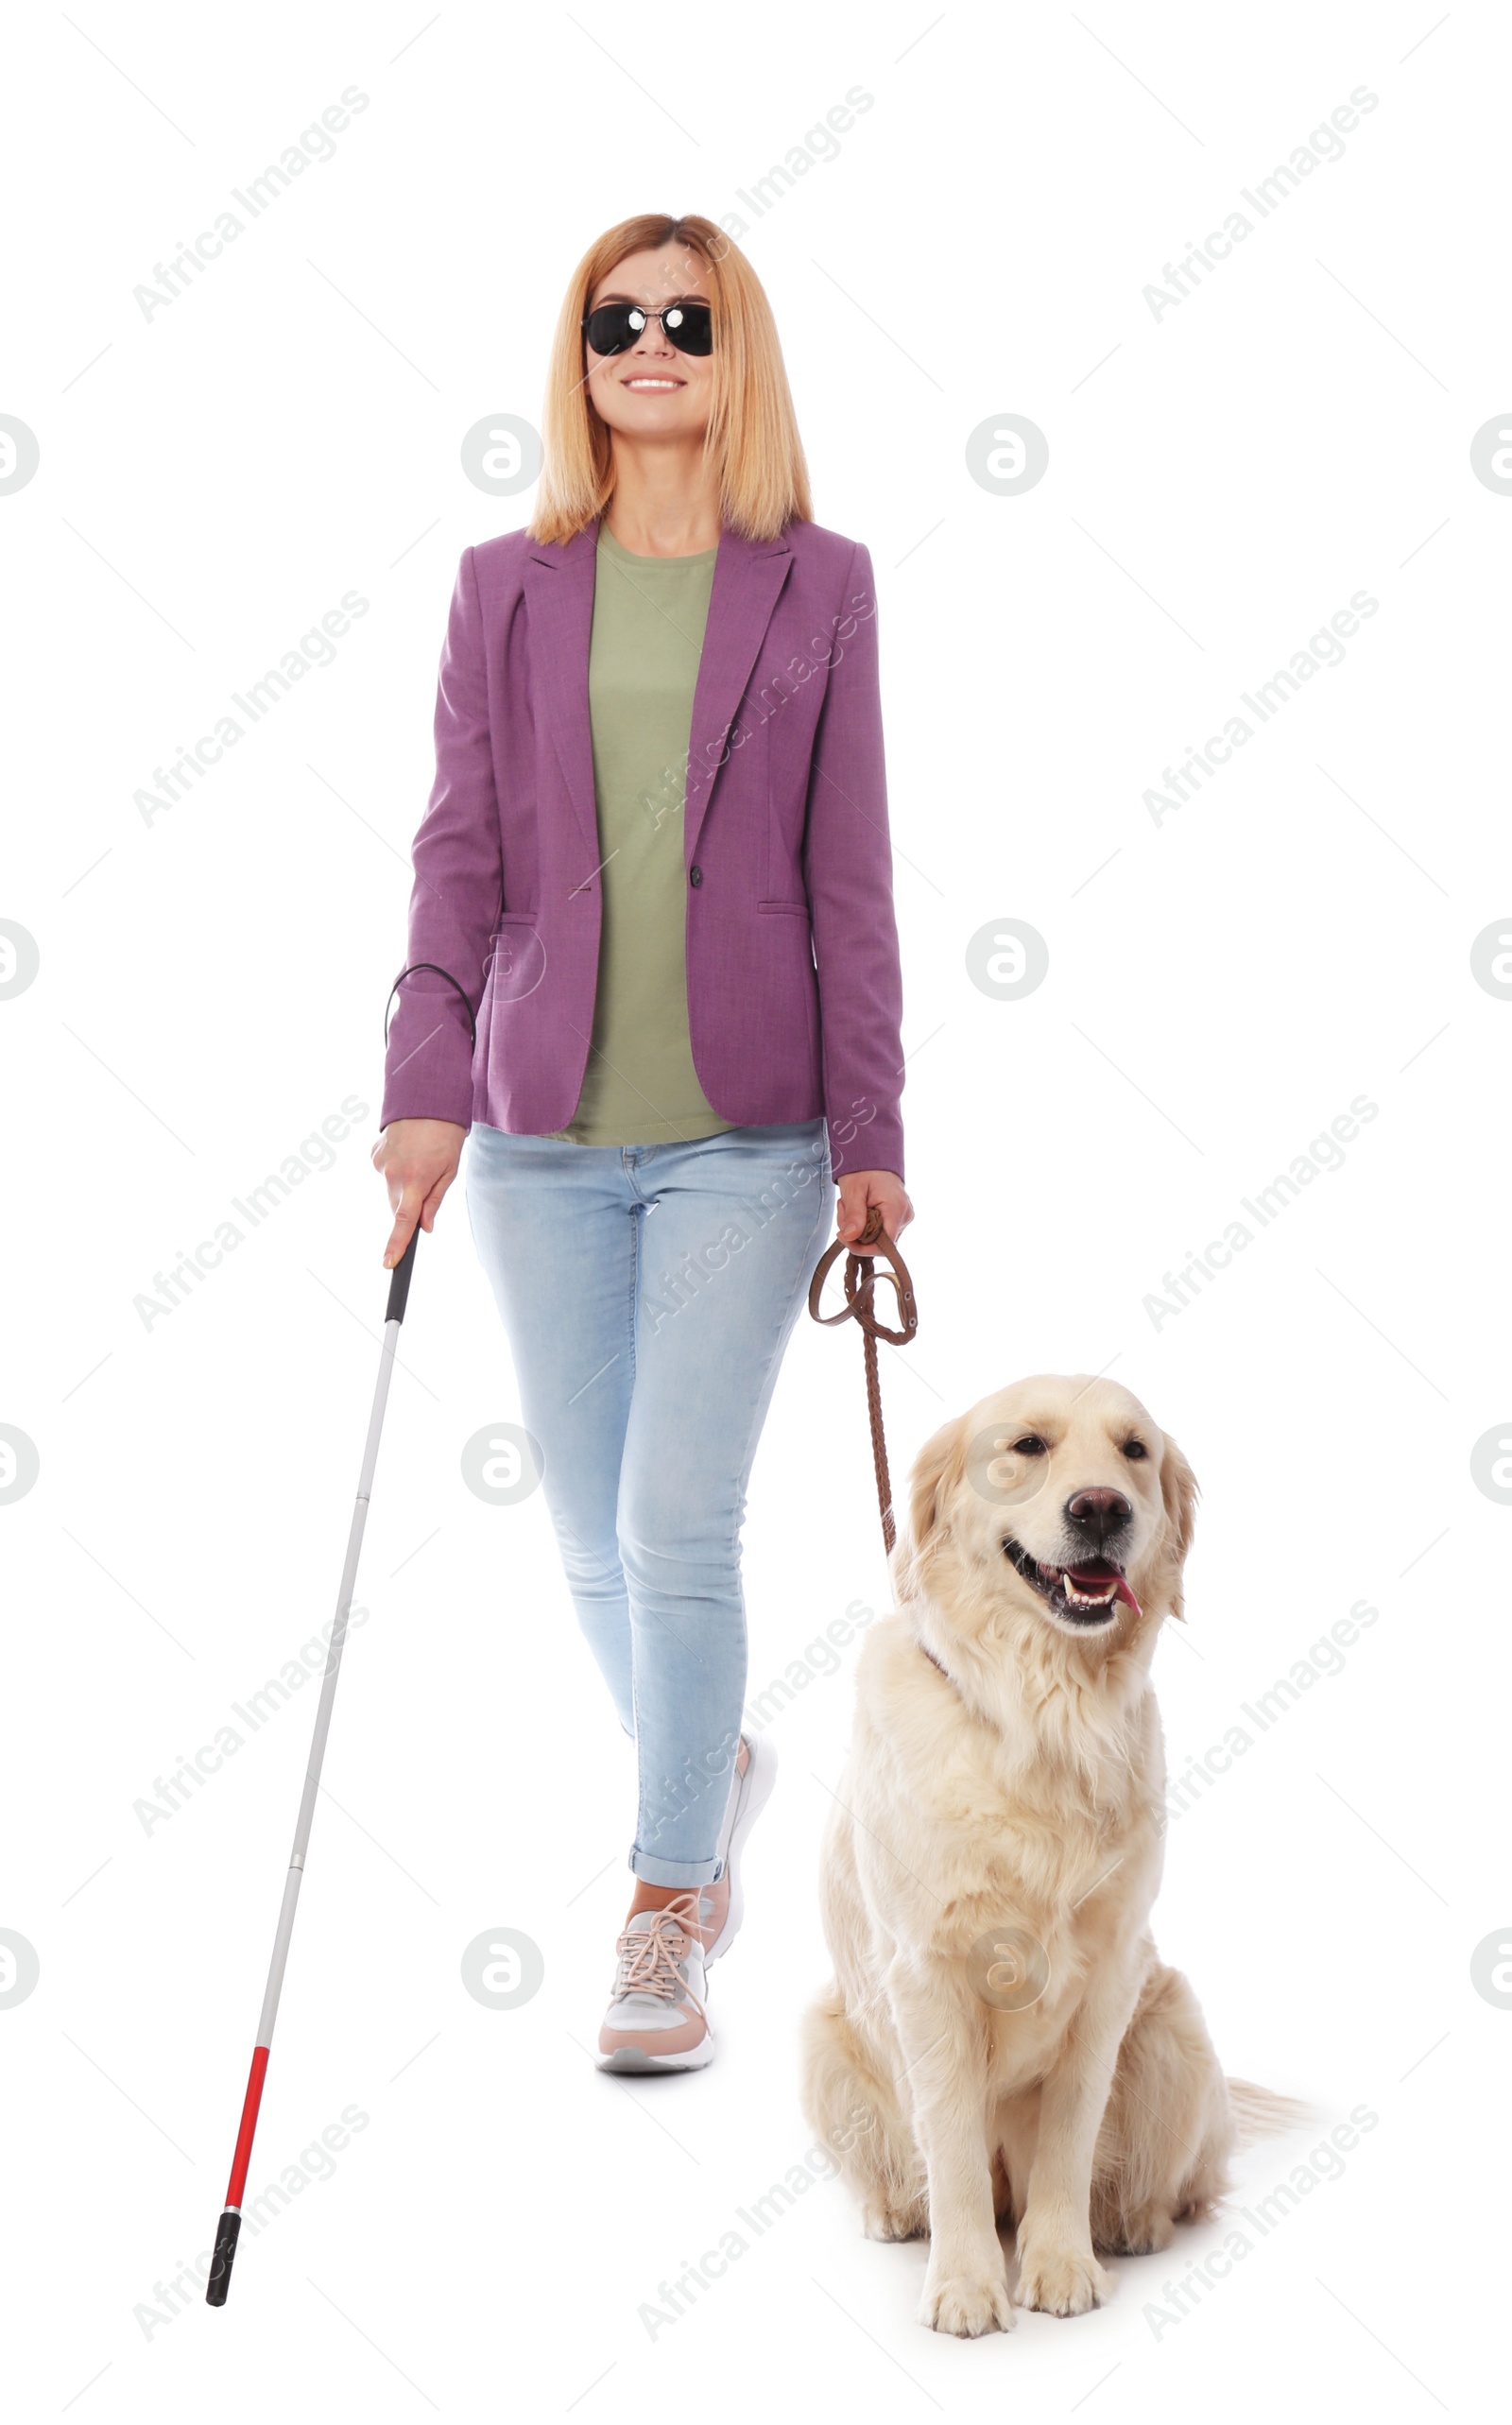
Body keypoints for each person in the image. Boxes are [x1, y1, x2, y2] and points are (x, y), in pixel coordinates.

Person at [372, 212, 910, 2072]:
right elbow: (458, 852)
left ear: (732, 347)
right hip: (535, 1125)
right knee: (586, 1532)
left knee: (673, 1519)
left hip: (748, 1136)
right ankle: (717, 1756)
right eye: (619, 319)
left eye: (688, 318)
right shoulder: (501, 584)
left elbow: (851, 876)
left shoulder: (816, 580)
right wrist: (420, 1088)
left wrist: (872, 1126)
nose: (652, 342)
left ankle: (669, 1895)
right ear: (581, 351)